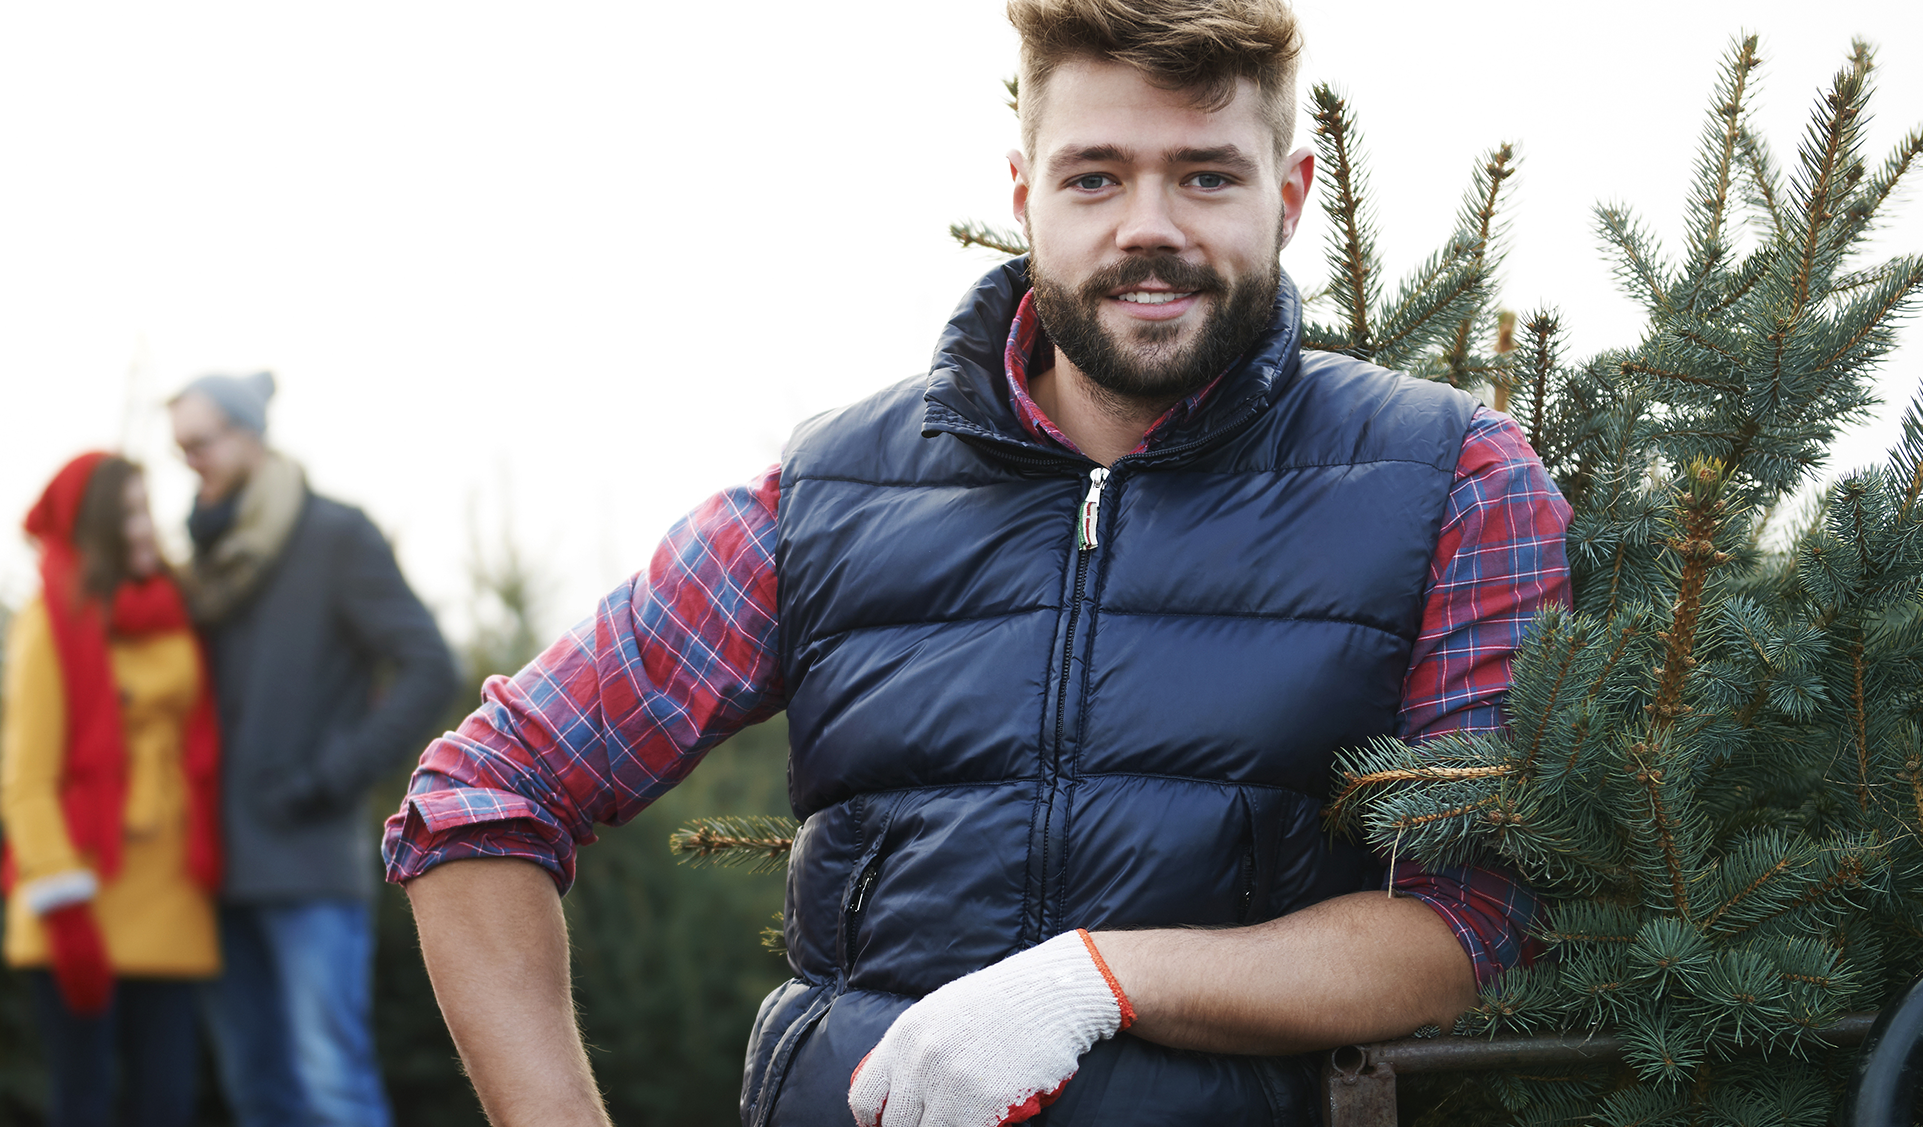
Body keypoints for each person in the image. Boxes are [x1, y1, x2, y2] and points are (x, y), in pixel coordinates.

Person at [386, 0, 1573, 1122]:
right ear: (1023, 195)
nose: (1147, 224)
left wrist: (1101, 978)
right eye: (1094, 176)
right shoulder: (829, 497)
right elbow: (487, 790)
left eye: (1207, 174)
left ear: (1291, 192)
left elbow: (1462, 930)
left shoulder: (1451, 480)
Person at [167, 371, 459, 1127]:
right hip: (213, 866)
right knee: (255, 1092)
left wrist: (331, 777)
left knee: (333, 1086)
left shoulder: (335, 535)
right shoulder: (202, 561)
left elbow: (429, 663)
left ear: (250, 433)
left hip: (308, 861)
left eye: (203, 441)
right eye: (180, 447)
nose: (190, 459)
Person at [0, 452, 223, 1127]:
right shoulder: (50, 620)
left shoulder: (176, 612)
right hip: (85, 897)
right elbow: (26, 779)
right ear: (93, 523)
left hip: (171, 895)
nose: (146, 527)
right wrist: (66, 912)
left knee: (168, 1105)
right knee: (84, 1103)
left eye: (146, 508)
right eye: (127, 512)